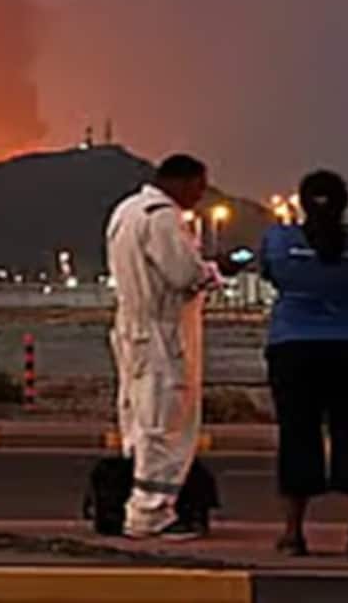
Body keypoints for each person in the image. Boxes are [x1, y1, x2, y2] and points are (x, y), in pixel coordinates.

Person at [249, 170, 348, 561]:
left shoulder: (280, 241)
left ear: (302, 202)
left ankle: (293, 533)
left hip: (293, 348)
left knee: (297, 436)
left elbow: (269, 273)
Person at [105, 153, 218, 539]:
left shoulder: (125, 211)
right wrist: (210, 271)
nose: (200, 196)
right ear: (182, 182)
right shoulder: (162, 217)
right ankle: (150, 512)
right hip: (162, 332)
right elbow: (183, 274)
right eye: (199, 187)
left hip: (131, 327)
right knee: (165, 423)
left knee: (138, 418)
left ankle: (135, 495)